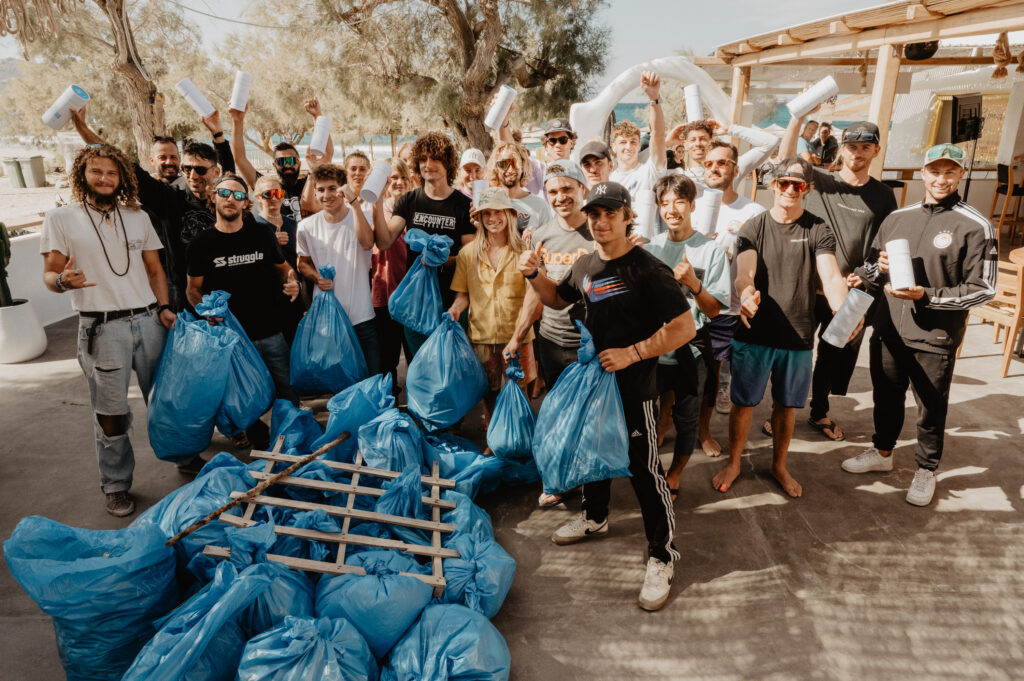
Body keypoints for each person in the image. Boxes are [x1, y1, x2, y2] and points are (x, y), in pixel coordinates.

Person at [520, 180, 696, 611]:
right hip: (593, 385)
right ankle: (595, 516)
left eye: (609, 214)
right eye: (594, 214)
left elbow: (684, 328)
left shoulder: (648, 270)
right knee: (591, 451)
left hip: (634, 392)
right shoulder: (583, 265)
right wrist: (531, 273)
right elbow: (558, 300)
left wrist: (635, 352)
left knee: (644, 470)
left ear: (627, 216)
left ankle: (661, 555)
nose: (600, 222)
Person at [843, 143, 997, 506]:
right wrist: (864, 275)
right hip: (889, 327)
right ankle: (882, 454)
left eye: (950, 172)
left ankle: (926, 469)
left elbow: (983, 289)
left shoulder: (976, 225)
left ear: (961, 174)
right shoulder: (899, 217)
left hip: (934, 335)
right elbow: (875, 263)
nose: (941, 179)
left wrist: (927, 296)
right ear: (923, 172)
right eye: (934, 171)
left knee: (930, 406)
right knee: (886, 396)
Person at [40, 144, 176, 517]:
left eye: (112, 173)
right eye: (96, 171)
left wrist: (164, 307)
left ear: (122, 177)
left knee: (166, 398)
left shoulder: (137, 215)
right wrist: (64, 281)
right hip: (102, 328)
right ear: (82, 174)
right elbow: (50, 275)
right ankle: (116, 485)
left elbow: (154, 270)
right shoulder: (61, 218)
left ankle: (183, 453)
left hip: (148, 320)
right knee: (110, 412)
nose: (104, 178)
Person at [712, 157, 853, 499]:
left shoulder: (818, 228)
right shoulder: (754, 227)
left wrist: (845, 311)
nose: (790, 189)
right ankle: (734, 462)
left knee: (787, 406)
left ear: (808, 188)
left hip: (799, 336)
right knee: (743, 404)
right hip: (755, 333)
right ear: (772, 185)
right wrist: (746, 295)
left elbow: (831, 276)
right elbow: (745, 273)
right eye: (784, 183)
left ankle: (779, 465)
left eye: (798, 184)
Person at [780, 118, 898, 441]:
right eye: (851, 146)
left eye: (864, 147)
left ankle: (818, 412)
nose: (856, 153)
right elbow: (784, 159)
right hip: (806, 286)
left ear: (876, 150)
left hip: (851, 293)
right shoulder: (819, 181)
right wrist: (797, 118)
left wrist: (864, 276)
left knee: (832, 355)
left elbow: (884, 245)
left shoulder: (884, 195)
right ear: (841, 148)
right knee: (797, 352)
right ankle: (783, 413)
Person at [69, 107, 230, 311]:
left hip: (226, 290)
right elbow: (122, 161)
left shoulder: (227, 200)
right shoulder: (170, 198)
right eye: (187, 169)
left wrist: (218, 135)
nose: (192, 175)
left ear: (215, 172)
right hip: (187, 298)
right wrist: (83, 130)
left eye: (199, 169)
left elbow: (230, 172)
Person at [187, 173, 301, 445]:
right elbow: (193, 290)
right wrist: (204, 310)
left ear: (245, 204)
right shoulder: (201, 243)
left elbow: (284, 269)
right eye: (225, 194)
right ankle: (261, 444)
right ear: (213, 197)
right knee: (243, 397)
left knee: (287, 391)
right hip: (232, 338)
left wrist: (293, 282)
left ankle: (294, 441)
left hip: (271, 331)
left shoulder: (262, 234)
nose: (231, 200)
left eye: (238, 195)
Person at [644, 174, 730, 499]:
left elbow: (713, 312)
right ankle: (649, 469)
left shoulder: (710, 251)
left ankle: (675, 473)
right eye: (665, 203)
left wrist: (695, 284)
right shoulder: (650, 247)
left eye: (679, 201)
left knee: (687, 419)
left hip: (691, 353)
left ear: (692, 205)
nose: (672, 209)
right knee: (647, 417)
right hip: (652, 352)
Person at [529, 159, 595, 507]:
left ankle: (586, 481)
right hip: (553, 341)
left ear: (582, 189)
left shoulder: (598, 231)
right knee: (557, 413)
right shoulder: (541, 236)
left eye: (567, 188)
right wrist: (521, 334)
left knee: (587, 416)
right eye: (552, 191)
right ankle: (561, 477)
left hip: (592, 345)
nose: (560, 197)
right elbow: (539, 292)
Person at [447, 187, 539, 431]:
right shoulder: (468, 254)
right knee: (489, 398)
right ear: (478, 218)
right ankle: (492, 441)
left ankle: (520, 445)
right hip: (482, 339)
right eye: (485, 213)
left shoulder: (523, 252)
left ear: (509, 214)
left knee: (521, 398)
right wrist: (455, 310)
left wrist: (518, 338)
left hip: (518, 339)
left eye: (498, 212)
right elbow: (462, 295)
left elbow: (536, 293)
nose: (492, 218)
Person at [377, 132, 476, 356]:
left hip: (452, 302)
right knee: (420, 368)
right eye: (422, 160)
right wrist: (376, 203)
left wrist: (442, 261)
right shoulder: (408, 201)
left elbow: (470, 257)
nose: (428, 165)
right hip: (416, 302)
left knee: (450, 365)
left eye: (435, 159)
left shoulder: (463, 205)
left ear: (448, 163)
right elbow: (384, 241)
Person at [699, 140, 766, 456]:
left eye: (722, 163)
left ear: (736, 169)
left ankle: (717, 438)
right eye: (710, 163)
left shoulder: (753, 211)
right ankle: (684, 427)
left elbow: (758, 260)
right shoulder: (692, 206)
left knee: (723, 375)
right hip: (696, 307)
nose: (715, 168)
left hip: (732, 309)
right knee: (693, 376)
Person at [295, 163, 381, 376]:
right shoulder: (306, 227)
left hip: (362, 317)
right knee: (340, 383)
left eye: (332, 188)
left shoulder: (363, 217)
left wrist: (355, 203)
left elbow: (368, 243)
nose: (327, 195)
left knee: (373, 378)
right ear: (315, 192)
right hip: (328, 320)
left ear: (343, 189)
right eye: (321, 190)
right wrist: (316, 277)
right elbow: (302, 262)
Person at [229, 100, 331, 222]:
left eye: (291, 160)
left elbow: (327, 154)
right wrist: (237, 121)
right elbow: (239, 158)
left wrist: (318, 117)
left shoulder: (310, 182)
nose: (287, 165)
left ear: (298, 162)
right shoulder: (266, 188)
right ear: (275, 164)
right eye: (282, 161)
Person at [373, 158, 412, 392]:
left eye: (403, 177)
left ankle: (419, 409)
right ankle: (390, 406)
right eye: (394, 178)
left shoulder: (415, 207)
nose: (399, 182)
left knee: (414, 355)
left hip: (411, 295)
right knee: (387, 359)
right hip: (385, 291)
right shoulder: (378, 209)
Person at [609, 72, 666, 214]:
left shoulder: (649, 171)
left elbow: (658, 136)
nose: (628, 147)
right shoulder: (608, 177)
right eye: (622, 142)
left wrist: (654, 98)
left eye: (633, 142)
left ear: (640, 145)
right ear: (613, 147)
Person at [666, 119, 778, 189]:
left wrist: (730, 129)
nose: (698, 144)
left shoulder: (729, 170)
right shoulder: (676, 176)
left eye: (703, 139)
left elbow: (770, 142)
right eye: (693, 140)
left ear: (711, 140)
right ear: (685, 144)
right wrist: (666, 143)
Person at [486, 142, 554, 233]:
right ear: (496, 168)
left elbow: (549, 243)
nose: (510, 170)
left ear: (523, 166)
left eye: (515, 163)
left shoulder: (540, 206)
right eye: (503, 164)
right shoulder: (487, 203)